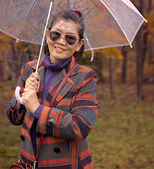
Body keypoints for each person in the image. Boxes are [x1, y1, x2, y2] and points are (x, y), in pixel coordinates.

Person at [7, 10, 98, 169]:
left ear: (79, 44)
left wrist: (36, 108)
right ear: (48, 35)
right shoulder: (30, 69)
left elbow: (80, 126)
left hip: (65, 163)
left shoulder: (85, 77)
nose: (61, 42)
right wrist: (23, 99)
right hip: (29, 161)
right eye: (56, 34)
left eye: (70, 38)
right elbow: (14, 118)